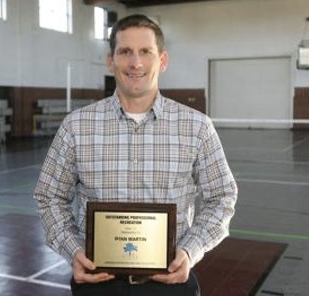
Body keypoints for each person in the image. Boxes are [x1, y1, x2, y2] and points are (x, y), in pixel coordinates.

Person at [34, 14, 237, 296]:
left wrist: (191, 251)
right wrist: (73, 250)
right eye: (125, 52)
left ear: (162, 60)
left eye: (145, 52)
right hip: (97, 284)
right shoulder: (76, 126)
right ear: (110, 60)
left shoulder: (197, 127)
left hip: (170, 284)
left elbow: (222, 197)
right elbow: (49, 196)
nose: (136, 63)